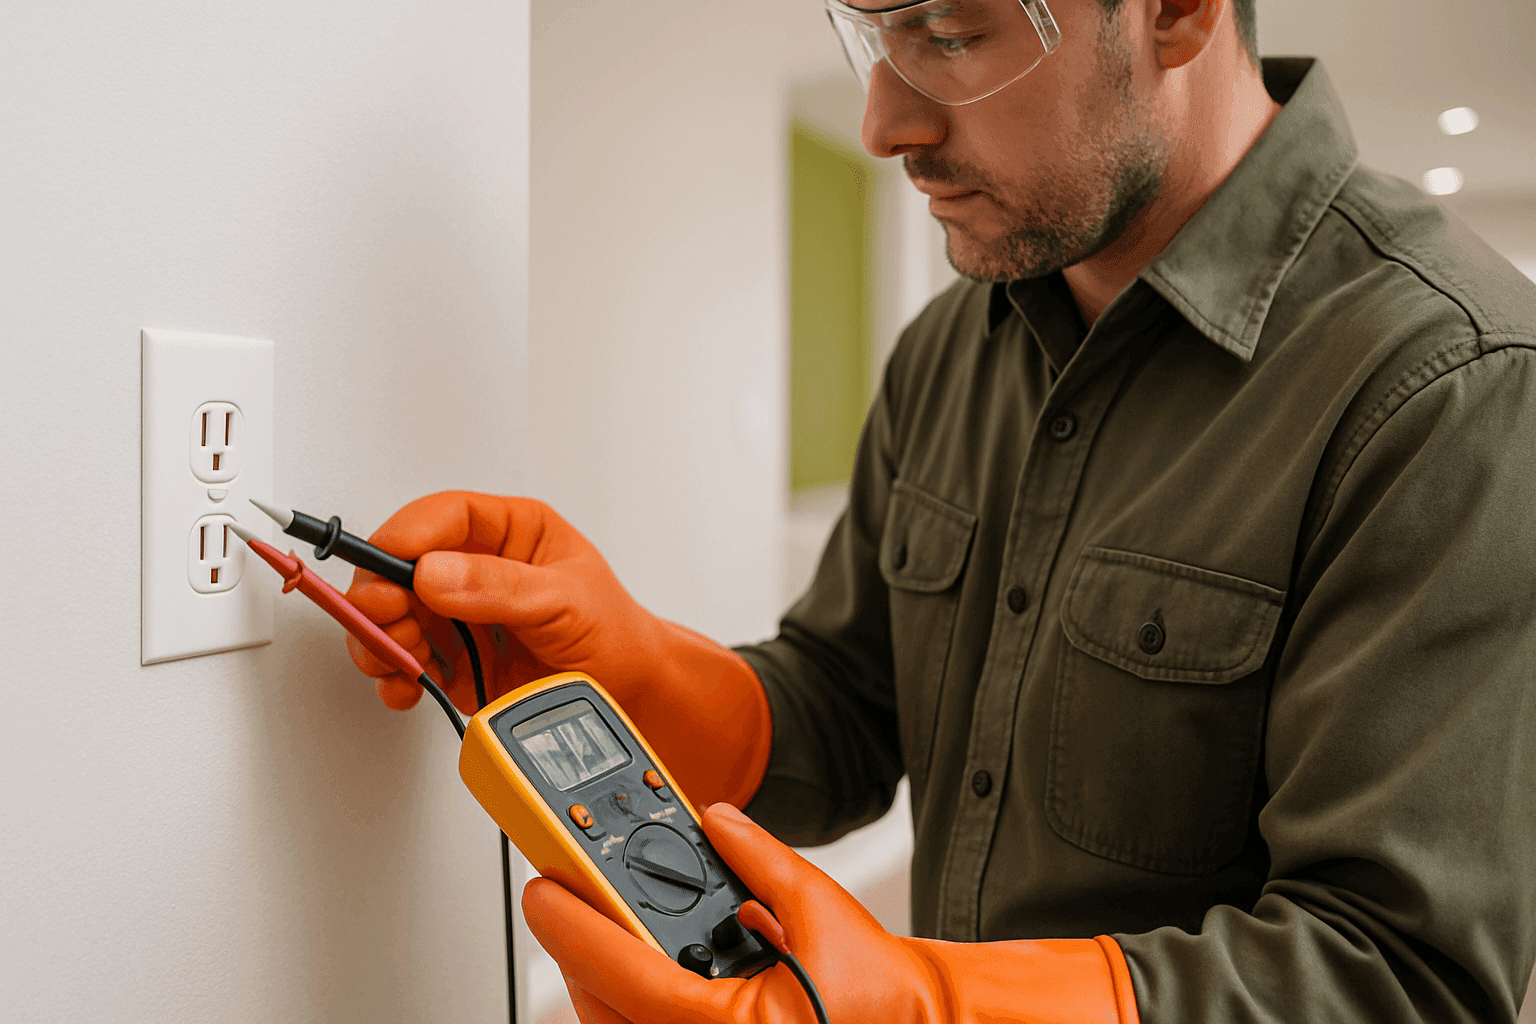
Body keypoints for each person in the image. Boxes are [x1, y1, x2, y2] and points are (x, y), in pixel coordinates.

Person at [345, 0, 1536, 1020]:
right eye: (873, 28)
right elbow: (850, 710)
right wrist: (638, 666)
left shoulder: (1452, 380)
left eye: (956, 32)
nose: (881, 125)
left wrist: (932, 1002)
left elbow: (1396, 972)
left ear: (1176, 10)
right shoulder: (948, 348)